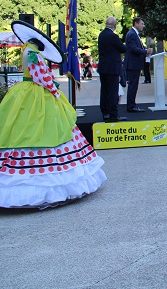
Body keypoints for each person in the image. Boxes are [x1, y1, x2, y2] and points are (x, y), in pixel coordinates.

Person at [0, 20, 106, 209]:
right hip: (36, 94)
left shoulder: (25, 49)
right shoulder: (33, 53)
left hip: (24, 92)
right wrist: (54, 90)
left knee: (18, 127)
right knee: (47, 128)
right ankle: (47, 178)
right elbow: (41, 76)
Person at [97, 16, 127, 122]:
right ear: (114, 25)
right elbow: (123, 48)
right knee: (113, 92)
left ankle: (105, 112)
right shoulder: (113, 36)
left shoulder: (101, 35)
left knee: (104, 91)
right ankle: (113, 114)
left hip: (103, 67)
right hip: (113, 68)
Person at [124, 17, 152, 112]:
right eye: (142, 24)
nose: (143, 26)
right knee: (133, 85)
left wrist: (145, 51)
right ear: (136, 24)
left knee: (134, 85)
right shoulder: (132, 34)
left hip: (135, 63)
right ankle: (131, 106)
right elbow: (133, 48)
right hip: (133, 64)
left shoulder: (135, 34)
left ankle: (132, 104)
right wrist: (145, 51)